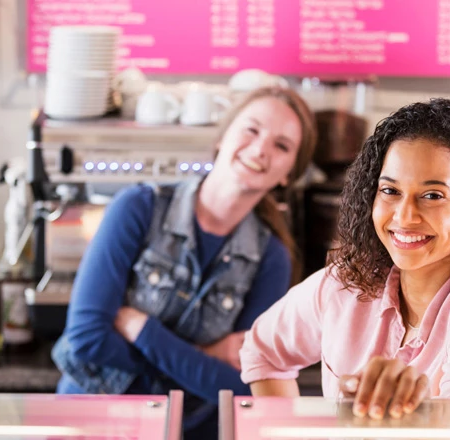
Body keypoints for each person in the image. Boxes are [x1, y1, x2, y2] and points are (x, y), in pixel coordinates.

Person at [240, 98, 450, 420]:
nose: (405, 217)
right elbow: (263, 349)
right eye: (390, 191)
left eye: (432, 196)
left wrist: (421, 407)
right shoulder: (345, 284)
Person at [51, 86, 317, 437]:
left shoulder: (271, 259)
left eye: (281, 146)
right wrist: (204, 357)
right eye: (251, 130)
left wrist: (144, 332)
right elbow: (86, 338)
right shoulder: (138, 208)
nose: (260, 149)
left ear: (287, 174)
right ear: (223, 138)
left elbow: (246, 389)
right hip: (92, 422)